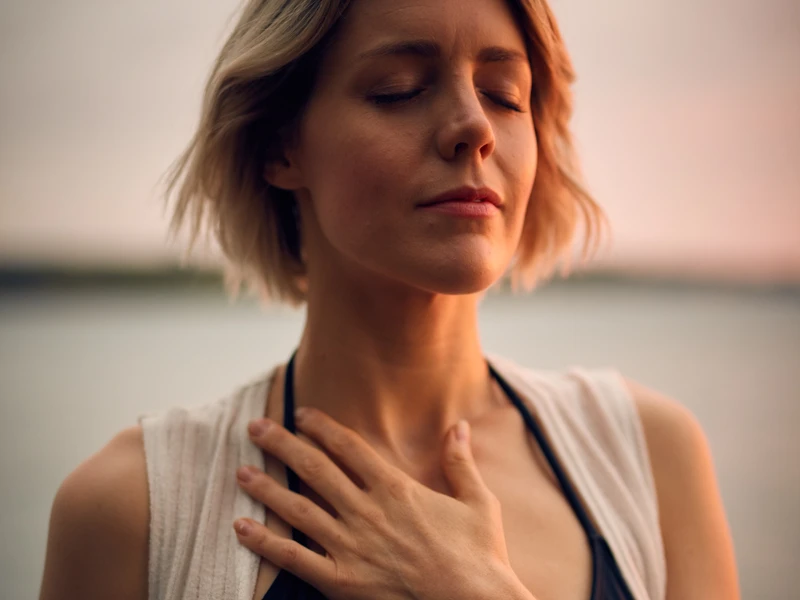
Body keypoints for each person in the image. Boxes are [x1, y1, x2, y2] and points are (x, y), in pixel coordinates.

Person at [39, 0, 741, 598]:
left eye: (504, 94)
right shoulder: (132, 510)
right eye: (399, 89)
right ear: (280, 146)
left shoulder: (650, 456)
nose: (476, 126)